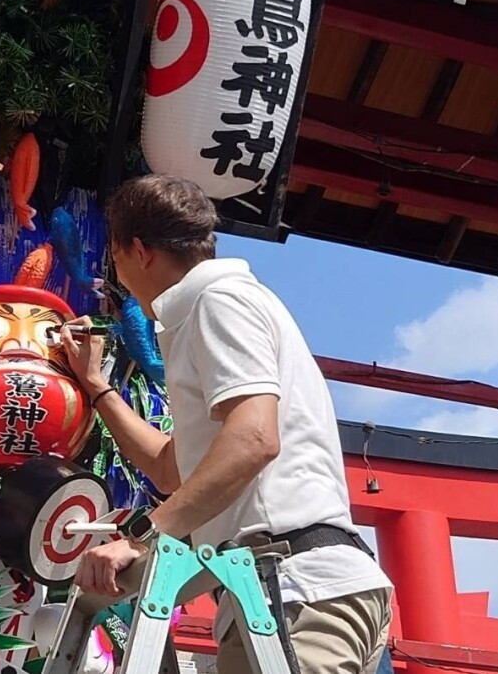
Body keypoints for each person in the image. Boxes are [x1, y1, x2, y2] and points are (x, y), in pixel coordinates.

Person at [60, 174, 393, 673]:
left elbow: (254, 439)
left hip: (294, 588)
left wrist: (142, 538)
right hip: (293, 591)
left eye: (116, 259)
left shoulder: (219, 301)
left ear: (138, 250)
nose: (119, 273)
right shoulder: (208, 308)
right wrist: (98, 388)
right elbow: (176, 470)